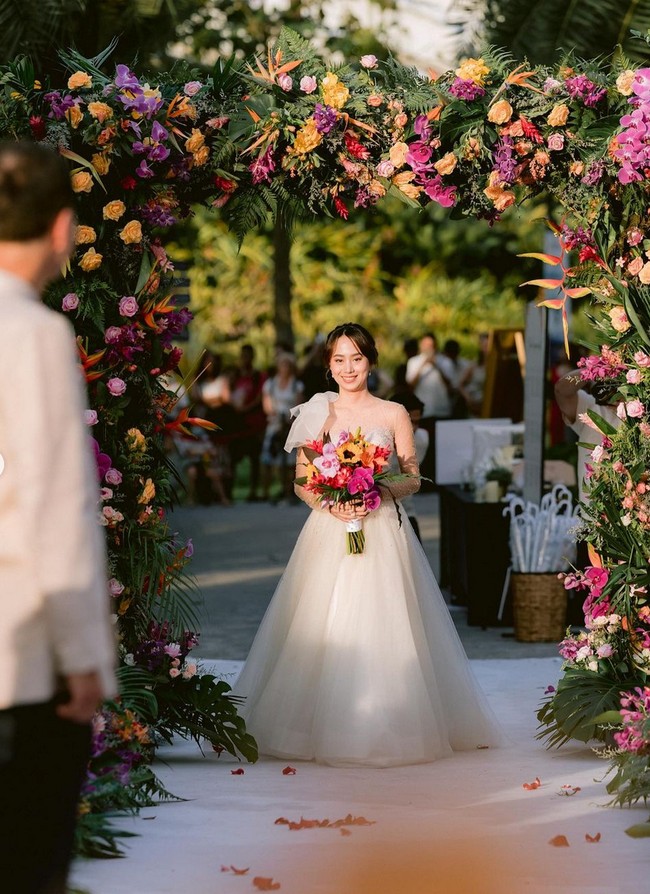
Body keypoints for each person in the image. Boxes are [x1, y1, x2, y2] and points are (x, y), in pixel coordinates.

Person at [233, 322, 501, 767]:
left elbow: (412, 476)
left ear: (371, 361)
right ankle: (314, 725)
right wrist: (333, 502)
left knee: (387, 621)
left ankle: (390, 722)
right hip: (329, 529)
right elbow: (302, 482)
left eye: (356, 358)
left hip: (380, 529)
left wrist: (373, 489)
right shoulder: (317, 412)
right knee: (324, 621)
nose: (348, 368)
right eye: (339, 359)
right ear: (328, 366)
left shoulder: (393, 413)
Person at [0, 142, 116, 892]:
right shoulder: (34, 333)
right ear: (64, 227)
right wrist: (85, 657)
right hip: (21, 659)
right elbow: (55, 505)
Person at [405, 333, 452, 486]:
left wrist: (436, 365)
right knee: (420, 446)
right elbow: (410, 384)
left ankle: (438, 482)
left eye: (430, 346)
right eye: (425, 346)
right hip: (423, 411)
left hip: (441, 410)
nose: (428, 349)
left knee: (440, 448)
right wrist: (423, 364)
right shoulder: (414, 362)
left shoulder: (445, 362)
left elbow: (451, 386)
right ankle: (422, 481)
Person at [260, 353, 304, 502]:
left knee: (291, 460)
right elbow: (267, 405)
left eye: (287, 365)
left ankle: (290, 490)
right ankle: (274, 489)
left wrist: (289, 419)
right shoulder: (270, 384)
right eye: (282, 364)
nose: (284, 368)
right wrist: (276, 415)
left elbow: (299, 405)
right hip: (274, 424)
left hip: (290, 424)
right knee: (272, 457)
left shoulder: (296, 385)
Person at [389, 391, 429, 541]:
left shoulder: (421, 440)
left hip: (407, 511)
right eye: (409, 422)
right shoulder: (376, 441)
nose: (413, 428)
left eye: (417, 422)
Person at [230, 344, 267, 501]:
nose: (245, 359)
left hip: (255, 424)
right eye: (243, 355)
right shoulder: (235, 376)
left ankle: (253, 490)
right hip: (238, 425)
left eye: (248, 355)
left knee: (254, 458)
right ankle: (229, 489)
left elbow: (260, 397)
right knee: (233, 457)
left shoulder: (259, 376)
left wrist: (245, 408)